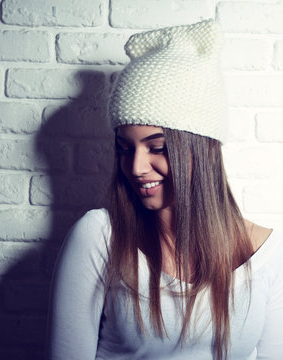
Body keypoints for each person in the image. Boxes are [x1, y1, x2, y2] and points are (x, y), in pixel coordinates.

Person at [47, 19, 283, 360]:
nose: (135, 167)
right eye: (125, 148)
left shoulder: (268, 254)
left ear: (203, 150)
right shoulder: (99, 236)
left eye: (156, 147)